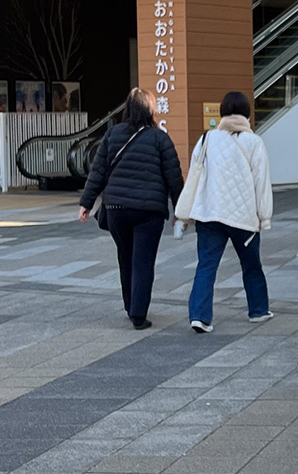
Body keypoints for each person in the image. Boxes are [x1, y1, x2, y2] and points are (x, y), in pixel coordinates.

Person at [78, 88, 183, 330]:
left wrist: (86, 203)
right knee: (143, 261)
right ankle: (138, 313)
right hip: (149, 211)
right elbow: (174, 178)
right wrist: (180, 210)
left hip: (117, 208)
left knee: (125, 257)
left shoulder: (112, 134)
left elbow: (98, 171)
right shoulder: (160, 138)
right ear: (151, 110)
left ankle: (129, 306)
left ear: (128, 109)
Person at [175, 91, 274, 333]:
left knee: (206, 265)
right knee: (251, 265)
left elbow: (195, 174)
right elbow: (261, 183)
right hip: (243, 217)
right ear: (247, 114)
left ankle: (199, 316)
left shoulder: (207, 138)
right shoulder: (254, 143)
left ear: (222, 113)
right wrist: (264, 217)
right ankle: (258, 310)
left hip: (209, 213)